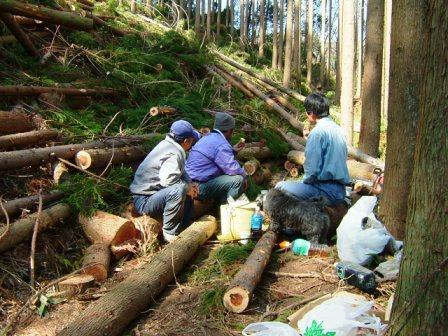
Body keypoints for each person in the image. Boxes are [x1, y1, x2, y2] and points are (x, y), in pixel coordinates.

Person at [130, 120, 200, 242]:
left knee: (186, 188)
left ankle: (185, 226)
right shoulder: (174, 153)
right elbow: (168, 181)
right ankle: (170, 234)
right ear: (186, 141)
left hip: (154, 195)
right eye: (192, 140)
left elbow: (181, 172)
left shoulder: (169, 144)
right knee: (179, 189)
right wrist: (187, 187)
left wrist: (190, 184)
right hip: (144, 200)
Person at [276, 93, 350, 205]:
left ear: (311, 113)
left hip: (324, 192)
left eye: (307, 111)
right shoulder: (338, 130)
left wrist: (304, 184)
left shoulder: (317, 133)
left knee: (280, 186)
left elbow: (312, 169)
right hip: (340, 191)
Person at [185, 112, 246, 205]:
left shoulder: (207, 137)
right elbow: (233, 169)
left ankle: (220, 206)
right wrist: (245, 176)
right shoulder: (221, 144)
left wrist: (232, 151)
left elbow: (214, 156)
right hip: (197, 187)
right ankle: (226, 211)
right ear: (229, 130)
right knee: (237, 180)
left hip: (189, 182)